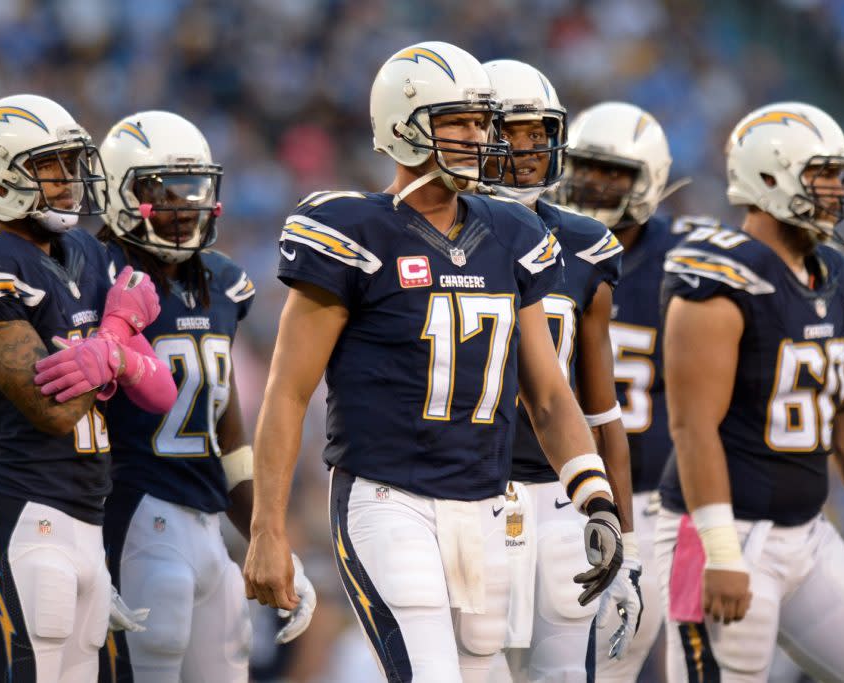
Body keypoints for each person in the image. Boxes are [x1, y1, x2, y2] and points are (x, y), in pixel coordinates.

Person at [242, 41, 623, 683]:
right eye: (458, 122)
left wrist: (598, 499)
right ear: (404, 123)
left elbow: (551, 397)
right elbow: (286, 391)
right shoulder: (354, 231)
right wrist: (266, 529)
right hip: (388, 499)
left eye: (481, 122)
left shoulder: (512, 234)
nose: (479, 137)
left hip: (484, 507)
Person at [654, 102, 844, 682]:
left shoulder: (836, 278)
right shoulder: (720, 279)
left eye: (837, 176)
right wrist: (722, 551)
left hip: (808, 534)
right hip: (710, 537)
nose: (835, 191)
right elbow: (692, 428)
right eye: (821, 175)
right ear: (769, 177)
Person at [0, 94, 171, 682]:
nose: (67, 181)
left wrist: (108, 350)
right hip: (19, 509)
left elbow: (159, 392)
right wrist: (114, 331)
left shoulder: (87, 252)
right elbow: (51, 409)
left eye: (70, 163)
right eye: (49, 166)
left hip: (86, 518)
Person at [93, 110, 315, 682]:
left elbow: (229, 437)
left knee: (229, 659)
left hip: (207, 523)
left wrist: (269, 537)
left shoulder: (220, 281)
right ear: (119, 193)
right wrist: (84, 545)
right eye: (162, 192)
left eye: (193, 191)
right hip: (133, 511)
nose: (183, 206)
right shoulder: (95, 274)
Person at [481, 61, 635, 683]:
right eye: (509, 134)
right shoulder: (433, 237)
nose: (525, 151)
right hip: (463, 489)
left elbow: (601, 411)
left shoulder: (586, 245)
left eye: (536, 134)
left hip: (560, 494)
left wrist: (624, 538)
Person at [555, 101, 716, 681]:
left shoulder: (690, 263)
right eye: (587, 166)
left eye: (615, 172)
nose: (595, 181)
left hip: (658, 506)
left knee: (672, 664)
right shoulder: (540, 241)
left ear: (649, 179)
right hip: (554, 493)